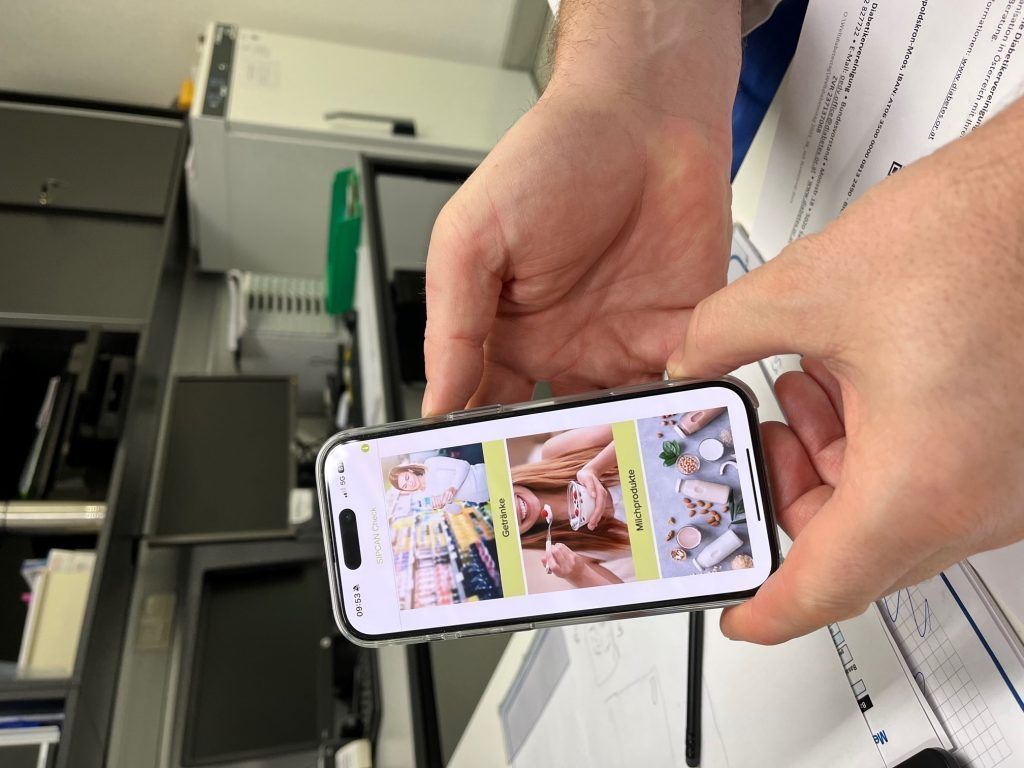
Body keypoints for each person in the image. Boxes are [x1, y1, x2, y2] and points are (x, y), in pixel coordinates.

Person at [422, 1, 1024, 644]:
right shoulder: (580, 548)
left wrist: (1004, 220)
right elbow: (621, 572)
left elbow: (627, 428)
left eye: (482, 508)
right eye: (496, 532)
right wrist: (635, 63)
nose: (502, 516)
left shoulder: (553, 454)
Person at [511, 426, 635, 589]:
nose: (512, 511)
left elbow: (635, 426)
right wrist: (579, 574)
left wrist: (596, 467)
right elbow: (626, 597)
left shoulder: (555, 452)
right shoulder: (570, 551)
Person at [388, 454, 488, 510]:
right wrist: (442, 506)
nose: (410, 483)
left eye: (407, 477)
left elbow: (464, 465)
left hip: (485, 476)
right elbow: (458, 510)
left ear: (410, 470)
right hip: (484, 496)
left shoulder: (430, 464)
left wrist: (453, 488)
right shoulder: (426, 496)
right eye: (405, 486)